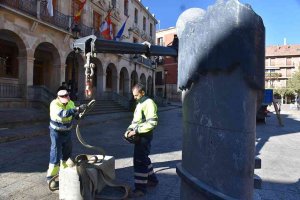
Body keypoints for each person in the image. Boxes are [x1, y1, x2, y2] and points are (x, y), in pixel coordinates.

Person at [124, 83, 159, 198]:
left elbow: (152, 122)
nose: (134, 98)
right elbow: (135, 121)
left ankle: (140, 189)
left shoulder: (148, 103)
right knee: (144, 158)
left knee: (139, 161)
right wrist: (128, 131)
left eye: (136, 95)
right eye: (133, 95)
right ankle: (153, 180)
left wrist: (136, 131)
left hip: (144, 136)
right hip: (140, 136)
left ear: (142, 93)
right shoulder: (140, 103)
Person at [46, 88, 86, 189]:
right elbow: (63, 114)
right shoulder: (54, 104)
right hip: (56, 132)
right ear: (58, 97)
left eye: (67, 95)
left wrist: (80, 114)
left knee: (67, 151)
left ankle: (64, 172)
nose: (66, 98)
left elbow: (74, 115)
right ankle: (51, 178)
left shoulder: (71, 103)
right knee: (55, 153)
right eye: (63, 96)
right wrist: (76, 109)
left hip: (67, 131)